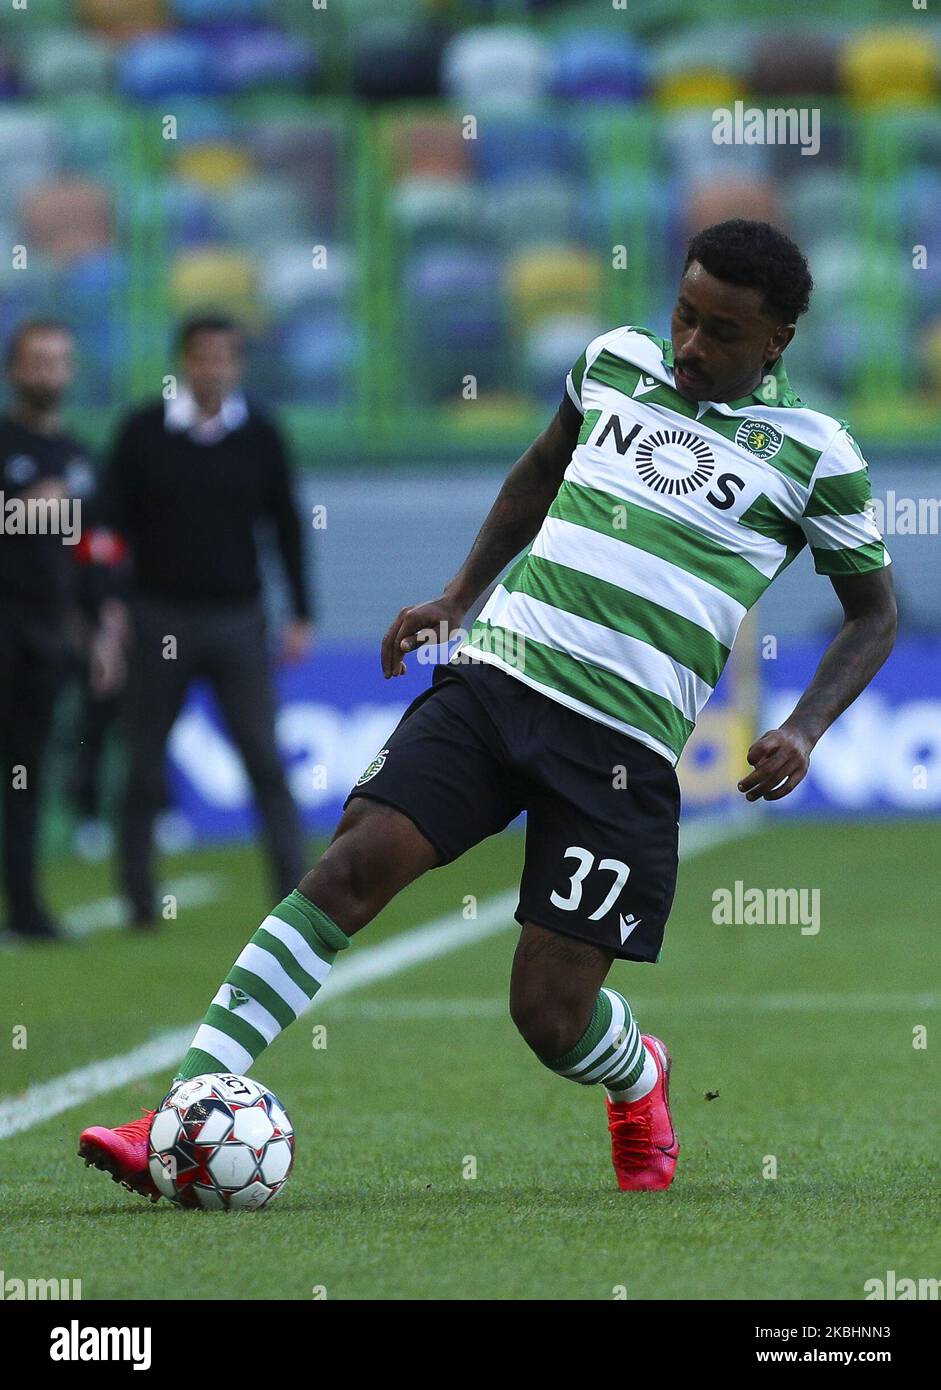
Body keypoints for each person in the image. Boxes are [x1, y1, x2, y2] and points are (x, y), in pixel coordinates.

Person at [79, 220, 896, 1196]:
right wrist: (458, 596)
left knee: (547, 1014)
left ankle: (638, 1076)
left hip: (622, 744)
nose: (686, 344)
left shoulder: (813, 453)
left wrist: (803, 726)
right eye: (681, 314)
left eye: (720, 333)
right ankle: (179, 1112)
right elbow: (540, 470)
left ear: (775, 343)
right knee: (351, 865)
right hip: (498, 678)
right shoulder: (612, 363)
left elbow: (872, 612)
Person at [101, 315, 314, 928]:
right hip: (157, 615)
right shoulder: (144, 433)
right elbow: (110, 528)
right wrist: (112, 605)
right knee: (142, 761)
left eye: (224, 357)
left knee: (264, 759)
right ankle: (139, 901)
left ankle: (293, 898)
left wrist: (300, 612)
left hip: (238, 618)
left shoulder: (262, 435)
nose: (212, 369)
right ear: (183, 362)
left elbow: (287, 526)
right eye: (202, 357)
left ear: (238, 364)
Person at [0, 320, 121, 940]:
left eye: (59, 361)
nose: (49, 372)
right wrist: (18, 511)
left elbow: (91, 550)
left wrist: (102, 629)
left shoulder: (78, 459)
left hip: (45, 638)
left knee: (26, 773)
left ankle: (25, 908)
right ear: (14, 369)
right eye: (37, 361)